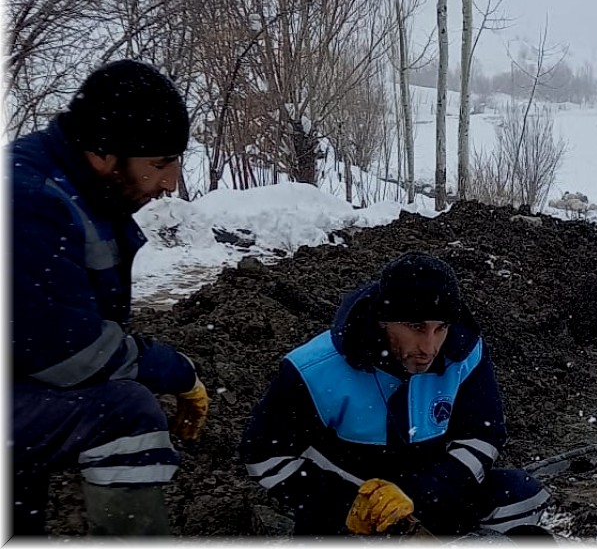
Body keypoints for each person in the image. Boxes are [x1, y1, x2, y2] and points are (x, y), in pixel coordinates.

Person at [9, 59, 209, 536]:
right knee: (124, 411)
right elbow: (71, 356)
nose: (170, 182)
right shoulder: (28, 200)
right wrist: (174, 369)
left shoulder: (78, 189)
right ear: (102, 154)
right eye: (159, 164)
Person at [240, 253, 550, 538]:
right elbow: (264, 454)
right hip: (352, 513)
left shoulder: (465, 354)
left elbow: (482, 437)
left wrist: (419, 496)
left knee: (520, 495)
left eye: (440, 328)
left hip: (430, 499)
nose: (429, 348)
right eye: (415, 327)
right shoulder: (313, 369)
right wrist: (346, 504)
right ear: (383, 320)